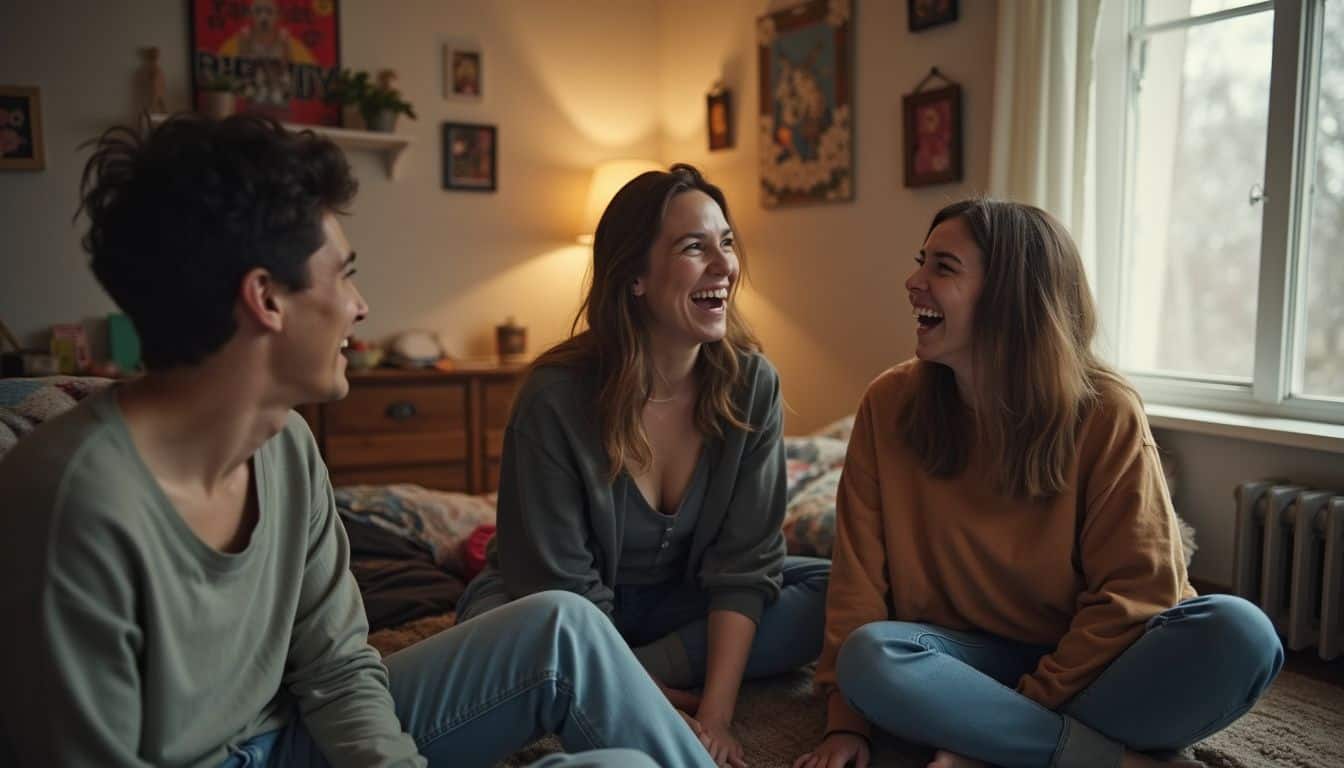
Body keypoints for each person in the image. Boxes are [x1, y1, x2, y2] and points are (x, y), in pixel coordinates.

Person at [0, 114, 713, 768]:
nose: (360, 306)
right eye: (344, 275)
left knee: (565, 630)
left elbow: (338, 667)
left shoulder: (286, 445)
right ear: (265, 299)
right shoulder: (70, 505)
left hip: (287, 738)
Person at [793, 199, 1283, 768]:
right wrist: (846, 723)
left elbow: (1138, 594)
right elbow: (857, 581)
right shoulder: (888, 403)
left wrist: (1008, 720)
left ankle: (1008, 747)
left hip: (1096, 662)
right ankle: (1109, 760)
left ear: (1010, 296)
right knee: (871, 656)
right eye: (921, 261)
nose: (913, 281)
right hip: (960, 659)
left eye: (942, 267)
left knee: (1242, 634)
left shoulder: (1106, 409)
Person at [456, 163, 831, 767]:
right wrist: (645, 699)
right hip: (554, 609)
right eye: (693, 247)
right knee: (516, 640)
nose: (724, 266)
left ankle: (595, 681)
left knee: (826, 590)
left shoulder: (752, 385)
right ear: (634, 275)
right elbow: (559, 589)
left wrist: (715, 715)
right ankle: (591, 679)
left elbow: (745, 565)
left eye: (726, 242)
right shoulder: (554, 398)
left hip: (676, 602)